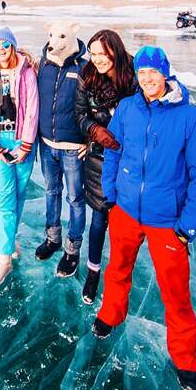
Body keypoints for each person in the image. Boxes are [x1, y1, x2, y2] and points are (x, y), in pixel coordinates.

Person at [92, 45, 196, 390]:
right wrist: (112, 195)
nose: (147, 79)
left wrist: (187, 226)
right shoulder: (128, 108)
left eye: (153, 72)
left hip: (168, 221)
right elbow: (114, 150)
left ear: (166, 73)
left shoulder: (191, 119)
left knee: (175, 293)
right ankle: (110, 315)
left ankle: (184, 360)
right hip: (127, 211)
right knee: (117, 269)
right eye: (142, 73)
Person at [75, 30, 137, 303]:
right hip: (100, 158)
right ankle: (92, 273)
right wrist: (95, 131)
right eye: (93, 53)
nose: (97, 59)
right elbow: (79, 115)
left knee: (126, 224)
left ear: (116, 50)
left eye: (103, 53)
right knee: (99, 218)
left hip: (132, 159)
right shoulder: (87, 77)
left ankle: (119, 280)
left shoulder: (135, 74)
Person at [0, 27, 39, 288]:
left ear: (13, 46)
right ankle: (4, 259)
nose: (1, 49)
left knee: (20, 193)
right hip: (0, 142)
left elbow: (33, 108)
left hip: (23, 140)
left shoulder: (26, 72)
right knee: (4, 198)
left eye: (5, 44)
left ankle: (10, 238)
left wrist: (26, 144)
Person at [35, 20, 88, 277]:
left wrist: (91, 140)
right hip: (47, 145)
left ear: (73, 35)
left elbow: (96, 106)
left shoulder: (85, 68)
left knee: (76, 199)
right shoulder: (42, 65)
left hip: (74, 148)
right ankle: (53, 238)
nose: (55, 41)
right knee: (51, 192)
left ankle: (72, 248)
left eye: (62, 36)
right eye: (52, 36)